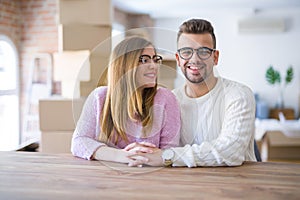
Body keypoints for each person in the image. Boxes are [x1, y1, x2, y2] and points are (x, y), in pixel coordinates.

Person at [127, 19, 257, 167]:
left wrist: (168, 156)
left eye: (203, 51)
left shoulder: (238, 95)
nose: (194, 59)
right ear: (178, 59)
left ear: (215, 57)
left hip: (237, 183)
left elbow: (230, 152)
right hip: (186, 185)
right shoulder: (170, 100)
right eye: (186, 52)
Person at [71, 36, 180, 164]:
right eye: (144, 60)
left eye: (155, 60)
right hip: (106, 177)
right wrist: (121, 156)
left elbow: (171, 151)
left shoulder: (166, 98)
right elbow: (79, 142)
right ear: (124, 66)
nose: (153, 66)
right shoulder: (100, 97)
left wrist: (144, 156)